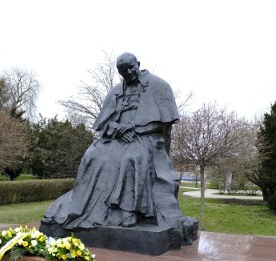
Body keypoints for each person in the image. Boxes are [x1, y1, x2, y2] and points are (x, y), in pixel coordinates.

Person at [41, 52, 197, 246]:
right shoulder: (116, 90)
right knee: (94, 155)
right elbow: (104, 124)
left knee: (133, 157)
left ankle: (129, 213)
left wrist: (133, 129)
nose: (129, 72)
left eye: (131, 67)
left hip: (147, 139)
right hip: (117, 139)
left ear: (138, 64)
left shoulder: (159, 86)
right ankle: (86, 208)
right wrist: (117, 130)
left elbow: (162, 124)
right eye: (123, 71)